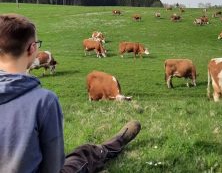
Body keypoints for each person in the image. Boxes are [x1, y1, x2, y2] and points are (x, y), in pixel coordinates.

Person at [0, 13, 141, 173]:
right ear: (32, 49)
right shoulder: (44, 101)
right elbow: (53, 167)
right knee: (84, 154)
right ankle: (113, 145)